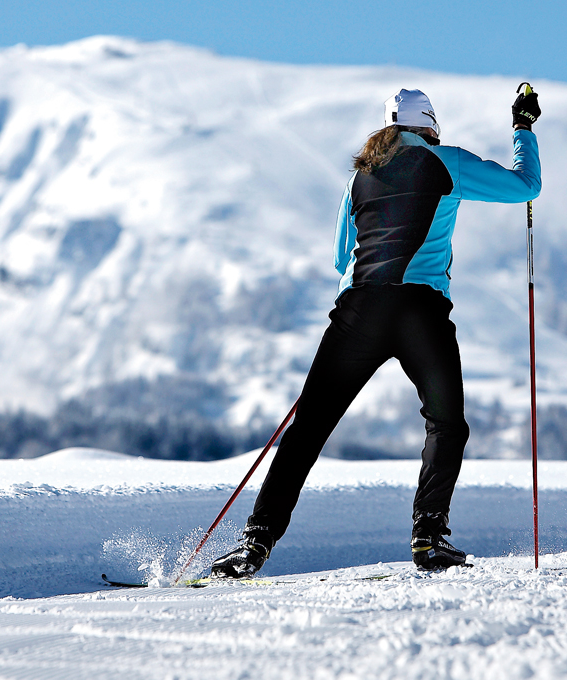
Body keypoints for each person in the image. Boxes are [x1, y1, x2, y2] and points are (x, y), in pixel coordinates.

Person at [212, 87, 542, 577]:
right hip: (419, 312)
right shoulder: (447, 161)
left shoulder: (359, 177)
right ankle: (428, 537)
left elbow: (339, 257)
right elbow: (524, 187)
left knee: (308, 430)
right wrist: (523, 129)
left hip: (359, 309)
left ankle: (253, 544)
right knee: (445, 424)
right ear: (429, 125)